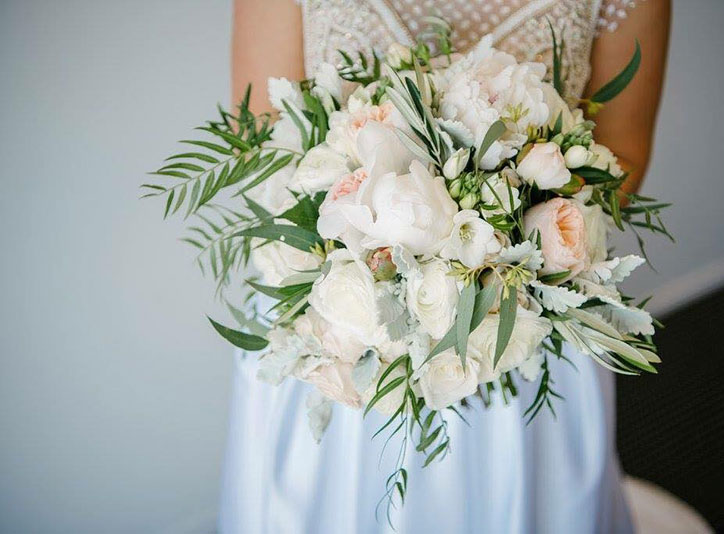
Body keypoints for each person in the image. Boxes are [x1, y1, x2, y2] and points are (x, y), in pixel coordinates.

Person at [219, 1, 683, 532]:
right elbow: (262, 145)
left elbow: (622, 150)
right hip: (339, 319)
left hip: (523, 323)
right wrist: (379, 277)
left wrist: (500, 263)